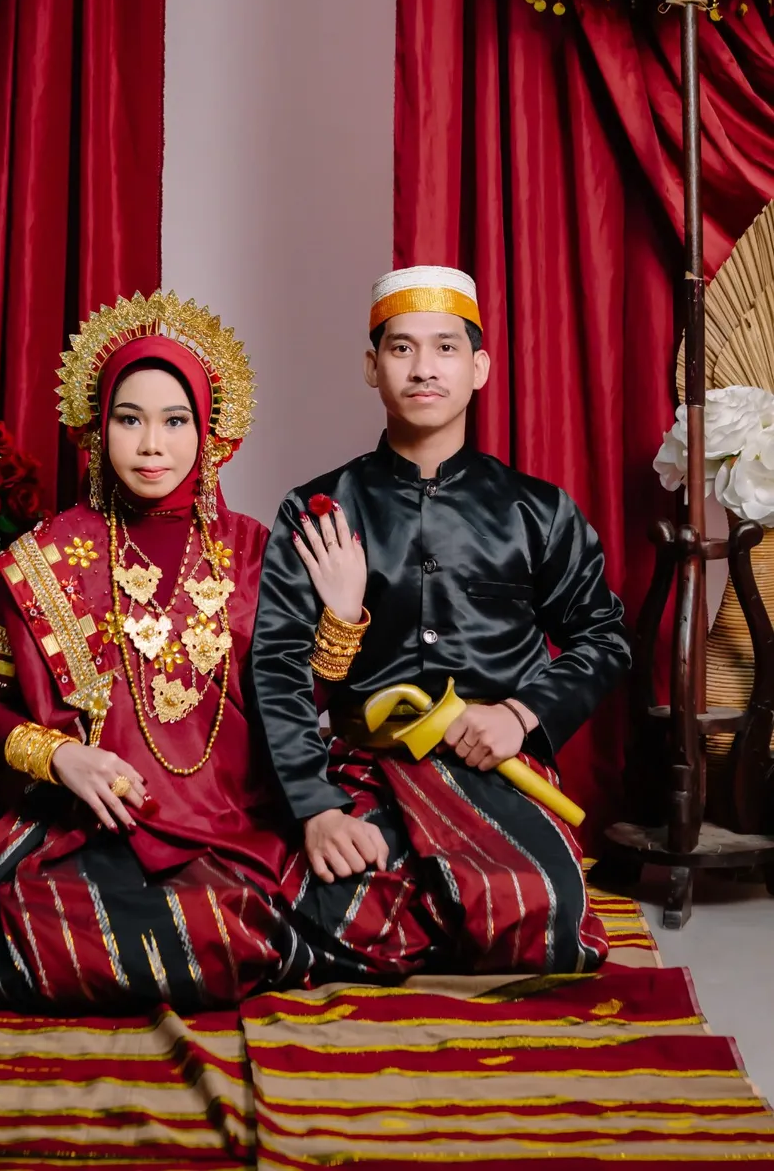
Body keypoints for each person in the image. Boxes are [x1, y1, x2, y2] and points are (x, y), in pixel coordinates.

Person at [0, 291, 310, 1011]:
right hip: (97, 823)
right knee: (40, 926)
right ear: (97, 427)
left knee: (282, 909)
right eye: (129, 420)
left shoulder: (256, 551)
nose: (151, 444)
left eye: (175, 420)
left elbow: (307, 700)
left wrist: (342, 619)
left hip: (241, 821)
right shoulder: (43, 560)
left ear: (210, 429)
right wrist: (60, 757)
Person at [251, 266, 631, 978]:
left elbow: (602, 638)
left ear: (478, 368)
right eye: (401, 348)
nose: (423, 368)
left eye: (445, 348)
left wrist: (519, 714)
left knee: (538, 910)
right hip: (363, 767)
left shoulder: (536, 510)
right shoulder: (319, 511)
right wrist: (315, 807)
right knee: (324, 897)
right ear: (372, 367)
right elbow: (275, 667)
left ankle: (438, 913)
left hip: (496, 768)